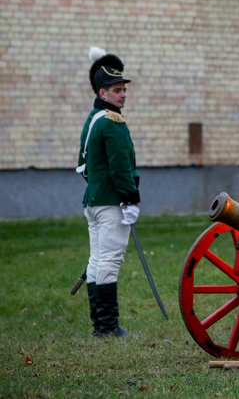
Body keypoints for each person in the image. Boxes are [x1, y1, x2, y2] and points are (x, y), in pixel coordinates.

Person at [77, 48, 140, 337]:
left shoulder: (92, 119)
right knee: (109, 260)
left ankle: (100, 325)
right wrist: (130, 197)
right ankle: (108, 326)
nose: (123, 94)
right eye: (117, 90)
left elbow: (82, 166)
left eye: (124, 89)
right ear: (103, 93)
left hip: (93, 200)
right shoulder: (112, 123)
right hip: (112, 202)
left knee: (96, 259)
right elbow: (120, 167)